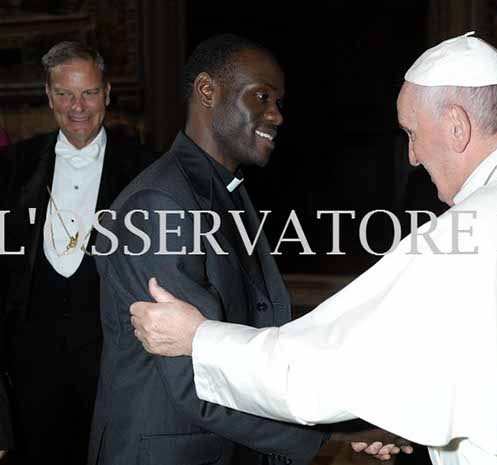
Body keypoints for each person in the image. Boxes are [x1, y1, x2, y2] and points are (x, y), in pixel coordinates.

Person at [130, 32, 497, 465]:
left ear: (457, 126)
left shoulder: (477, 227)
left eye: (412, 133)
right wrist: (408, 411)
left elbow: (321, 367)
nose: (413, 157)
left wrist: (199, 339)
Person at [88, 34, 403, 465]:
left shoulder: (225, 190)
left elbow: (254, 338)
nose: (276, 114)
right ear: (207, 90)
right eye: (261, 96)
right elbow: (195, 379)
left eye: (278, 101)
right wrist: (332, 437)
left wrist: (346, 416)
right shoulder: (160, 203)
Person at [0, 42, 154, 464]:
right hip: (30, 371)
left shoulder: (146, 168)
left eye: (88, 92)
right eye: (65, 94)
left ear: (107, 93)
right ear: (49, 96)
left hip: (114, 364)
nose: (78, 106)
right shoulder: (12, 166)